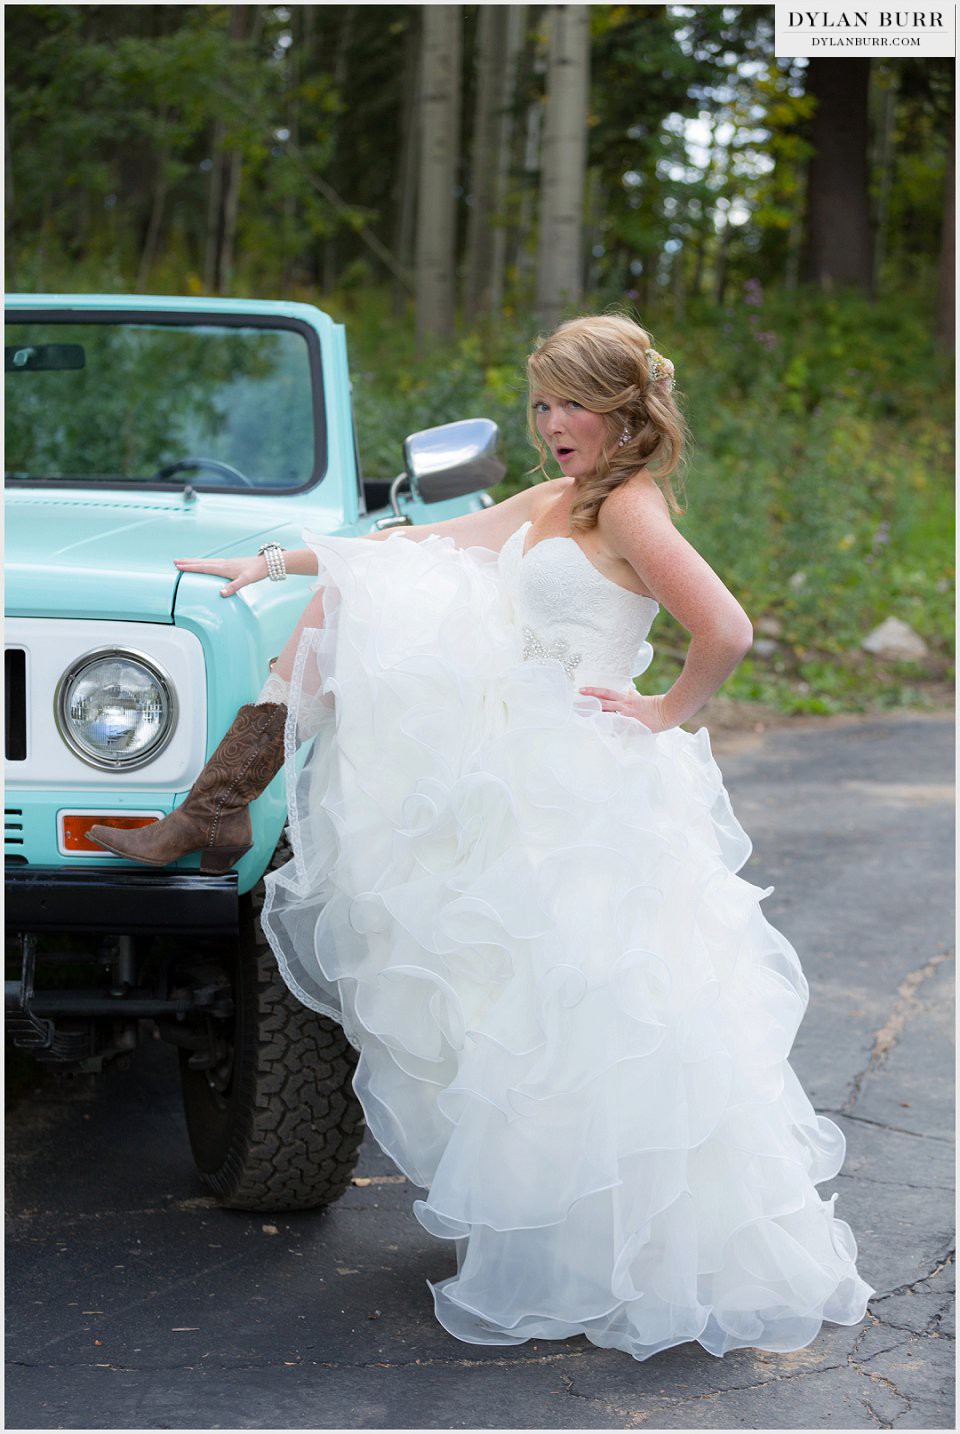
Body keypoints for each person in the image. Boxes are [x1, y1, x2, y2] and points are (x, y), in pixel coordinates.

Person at [89, 314, 873, 1361]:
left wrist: (660, 712)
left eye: (570, 403)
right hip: (517, 759)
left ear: (626, 409)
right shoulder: (559, 499)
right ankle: (220, 802)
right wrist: (279, 561)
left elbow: (722, 629)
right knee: (518, 1007)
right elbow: (418, 543)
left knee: (594, 1011)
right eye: (541, 403)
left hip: (583, 778)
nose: (551, 423)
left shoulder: (632, 509)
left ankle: (620, 1244)